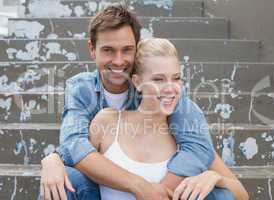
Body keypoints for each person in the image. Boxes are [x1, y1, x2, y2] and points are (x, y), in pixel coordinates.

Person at [38, 5, 246, 200]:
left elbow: (198, 148)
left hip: (162, 185)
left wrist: (212, 178)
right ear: (92, 49)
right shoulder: (82, 89)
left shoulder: (169, 99)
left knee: (216, 194)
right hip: (102, 187)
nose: (119, 61)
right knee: (65, 179)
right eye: (108, 50)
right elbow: (74, 145)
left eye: (127, 49)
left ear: (136, 49)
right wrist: (53, 158)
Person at [88, 37, 248, 200]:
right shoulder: (108, 121)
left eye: (176, 78)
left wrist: (214, 177)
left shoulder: (188, 139)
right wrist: (58, 159)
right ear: (137, 82)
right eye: (159, 79)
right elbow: (76, 164)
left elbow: (241, 195)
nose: (171, 88)